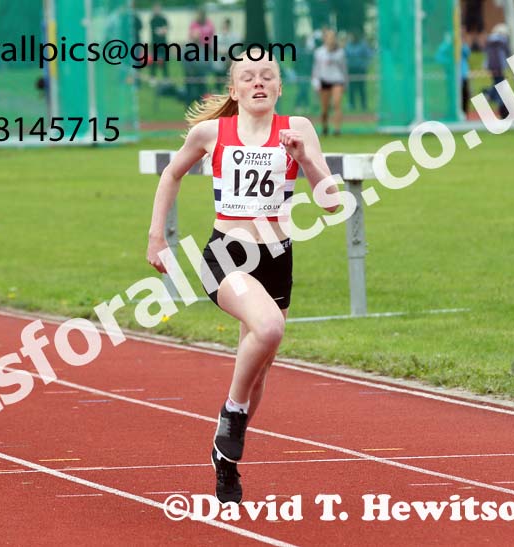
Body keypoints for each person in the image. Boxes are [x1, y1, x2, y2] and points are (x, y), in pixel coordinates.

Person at [146, 49, 337, 503]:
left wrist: (304, 159)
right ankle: (230, 415)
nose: (258, 83)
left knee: (261, 368)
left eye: (266, 76)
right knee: (268, 329)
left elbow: (330, 200)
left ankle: (225, 460)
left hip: (277, 255)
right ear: (234, 89)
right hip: (226, 255)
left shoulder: (300, 129)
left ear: (279, 87)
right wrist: (157, 237)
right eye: (247, 77)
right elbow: (170, 175)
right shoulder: (211, 132)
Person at [312, 30, 347, 136]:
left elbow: (343, 68)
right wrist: (315, 81)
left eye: (332, 37)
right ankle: (325, 127)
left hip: (337, 80)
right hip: (324, 81)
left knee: (336, 104)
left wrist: (345, 82)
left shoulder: (340, 52)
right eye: (328, 37)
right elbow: (316, 69)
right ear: (325, 39)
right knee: (325, 108)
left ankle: (337, 130)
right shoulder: (319, 52)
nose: (331, 39)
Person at [344, 33, 374, 112]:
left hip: (360, 69)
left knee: (361, 88)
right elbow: (344, 56)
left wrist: (364, 64)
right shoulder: (348, 45)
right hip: (351, 69)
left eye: (352, 37)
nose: (351, 38)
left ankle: (364, 105)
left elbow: (369, 55)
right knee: (351, 88)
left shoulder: (362, 45)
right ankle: (351, 104)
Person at [149, 3, 169, 79]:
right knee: (153, 61)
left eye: (158, 8)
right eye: (155, 9)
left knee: (165, 61)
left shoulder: (163, 19)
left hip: (163, 44)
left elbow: (165, 29)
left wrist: (162, 30)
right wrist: (161, 30)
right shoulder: (152, 20)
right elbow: (156, 31)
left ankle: (166, 77)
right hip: (155, 44)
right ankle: (152, 77)